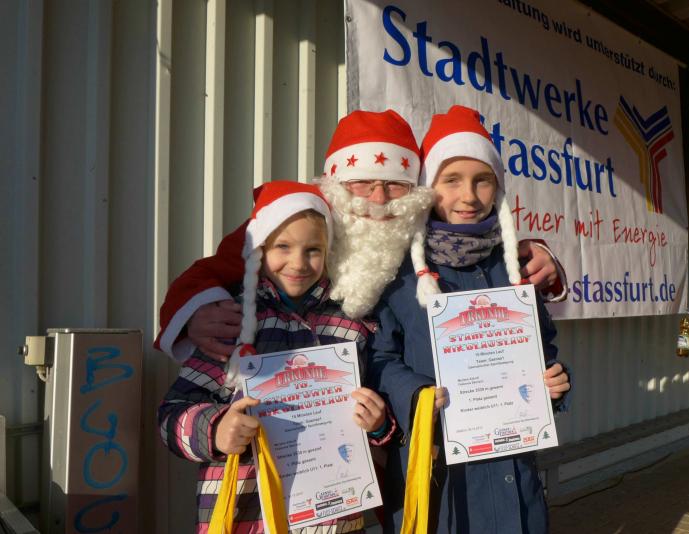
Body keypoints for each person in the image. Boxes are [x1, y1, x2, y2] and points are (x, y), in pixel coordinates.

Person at [153, 109, 566, 364]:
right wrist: (197, 312)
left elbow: (471, 243)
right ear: (335, 183)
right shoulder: (297, 221)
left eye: (395, 185)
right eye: (362, 183)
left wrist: (540, 256)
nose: (379, 200)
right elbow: (207, 273)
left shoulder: (416, 224)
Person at [367, 105, 571, 533]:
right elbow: (379, 358)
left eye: (482, 180)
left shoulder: (514, 269)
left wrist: (554, 380)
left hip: (513, 475)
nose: (469, 196)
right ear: (428, 188)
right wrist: (416, 396)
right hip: (439, 480)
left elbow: (543, 344)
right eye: (452, 180)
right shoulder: (400, 274)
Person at [158, 181, 396, 533]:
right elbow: (171, 415)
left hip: (333, 518)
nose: (298, 263)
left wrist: (378, 425)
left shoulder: (353, 325)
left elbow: (376, 405)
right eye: (283, 246)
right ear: (259, 249)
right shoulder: (232, 323)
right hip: (245, 516)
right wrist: (216, 430)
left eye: (313, 249)